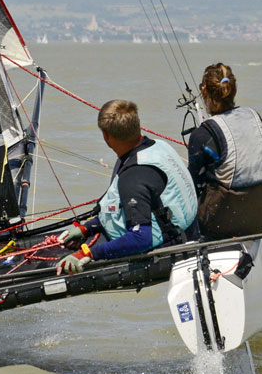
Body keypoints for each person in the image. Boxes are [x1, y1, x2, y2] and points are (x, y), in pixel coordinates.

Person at [55, 99, 198, 274]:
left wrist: (89, 253)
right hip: (188, 231)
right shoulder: (159, 146)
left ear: (106, 135)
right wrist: (88, 228)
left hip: (167, 248)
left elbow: (141, 238)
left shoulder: (132, 179)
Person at [185, 63, 262, 239]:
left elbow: (192, 186)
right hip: (260, 219)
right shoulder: (254, 117)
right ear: (234, 91)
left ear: (204, 93)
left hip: (219, 225)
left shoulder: (201, 134)